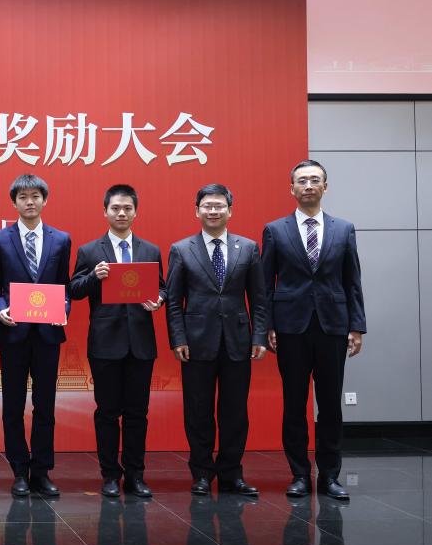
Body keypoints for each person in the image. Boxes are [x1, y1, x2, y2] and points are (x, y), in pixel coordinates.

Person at [261, 160, 365, 501]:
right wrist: (268, 326)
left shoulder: (344, 229)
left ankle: (330, 476)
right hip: (290, 328)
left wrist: (356, 326)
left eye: (314, 180)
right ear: (292, 188)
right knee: (294, 403)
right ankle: (300, 475)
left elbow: (352, 280)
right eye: (302, 180)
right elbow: (265, 284)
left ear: (325, 187)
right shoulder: (275, 230)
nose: (308, 185)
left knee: (331, 404)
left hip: (333, 326)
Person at [165, 183, 268, 497]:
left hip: (238, 341)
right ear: (197, 211)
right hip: (196, 343)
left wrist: (259, 335)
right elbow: (173, 301)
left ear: (230, 211)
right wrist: (178, 338)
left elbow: (259, 299)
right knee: (198, 411)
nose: (213, 211)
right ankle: (201, 473)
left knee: (235, 412)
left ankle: (231, 474)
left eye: (219, 205)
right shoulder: (181, 249)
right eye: (207, 206)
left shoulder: (248, 248)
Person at [68, 184, 166, 498]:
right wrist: (93, 276)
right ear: (105, 211)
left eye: (127, 208)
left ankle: (135, 476)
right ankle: (110, 475)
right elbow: (74, 289)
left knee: (137, 413)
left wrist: (159, 299)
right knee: (107, 412)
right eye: (115, 208)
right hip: (105, 344)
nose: (121, 213)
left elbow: (162, 287)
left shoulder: (150, 250)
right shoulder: (90, 251)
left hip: (140, 343)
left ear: (135, 212)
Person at [0, 174, 72, 498]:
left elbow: (64, 286)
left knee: (45, 406)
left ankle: (41, 471)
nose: (30, 202)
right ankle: (19, 471)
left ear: (44, 200)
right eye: (23, 197)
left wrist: (63, 308)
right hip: (14, 333)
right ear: (14, 202)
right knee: (13, 406)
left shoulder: (61, 239)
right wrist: (0, 310)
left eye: (35, 196)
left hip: (48, 334)